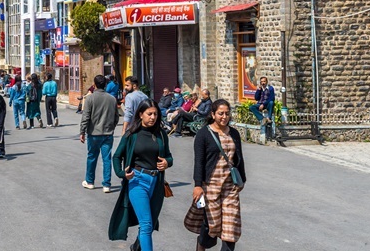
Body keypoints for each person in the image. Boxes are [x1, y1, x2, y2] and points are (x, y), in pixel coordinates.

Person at [109, 99, 173, 251]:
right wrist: (121, 173)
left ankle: (136, 247)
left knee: (150, 224)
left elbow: (169, 156)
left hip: (157, 183)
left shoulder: (161, 135)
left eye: (155, 114)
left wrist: (167, 162)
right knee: (146, 224)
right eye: (149, 114)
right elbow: (117, 156)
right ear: (140, 114)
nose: (153, 117)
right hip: (137, 181)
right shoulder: (132, 134)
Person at [185, 99, 246, 251]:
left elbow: (239, 158)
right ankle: (201, 246)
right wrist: (198, 185)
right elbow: (199, 161)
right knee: (213, 225)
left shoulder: (234, 133)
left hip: (230, 187)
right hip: (210, 186)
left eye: (226, 113)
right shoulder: (203, 134)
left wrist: (242, 180)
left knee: (231, 227)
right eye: (220, 113)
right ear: (212, 114)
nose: (224, 117)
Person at [79, 75, 119, 193]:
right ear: (105, 84)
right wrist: (111, 126)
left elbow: (86, 116)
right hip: (107, 133)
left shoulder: (90, 98)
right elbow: (116, 117)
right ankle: (106, 184)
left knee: (92, 157)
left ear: (94, 84)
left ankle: (90, 181)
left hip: (93, 133)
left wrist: (82, 131)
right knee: (107, 158)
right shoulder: (112, 99)